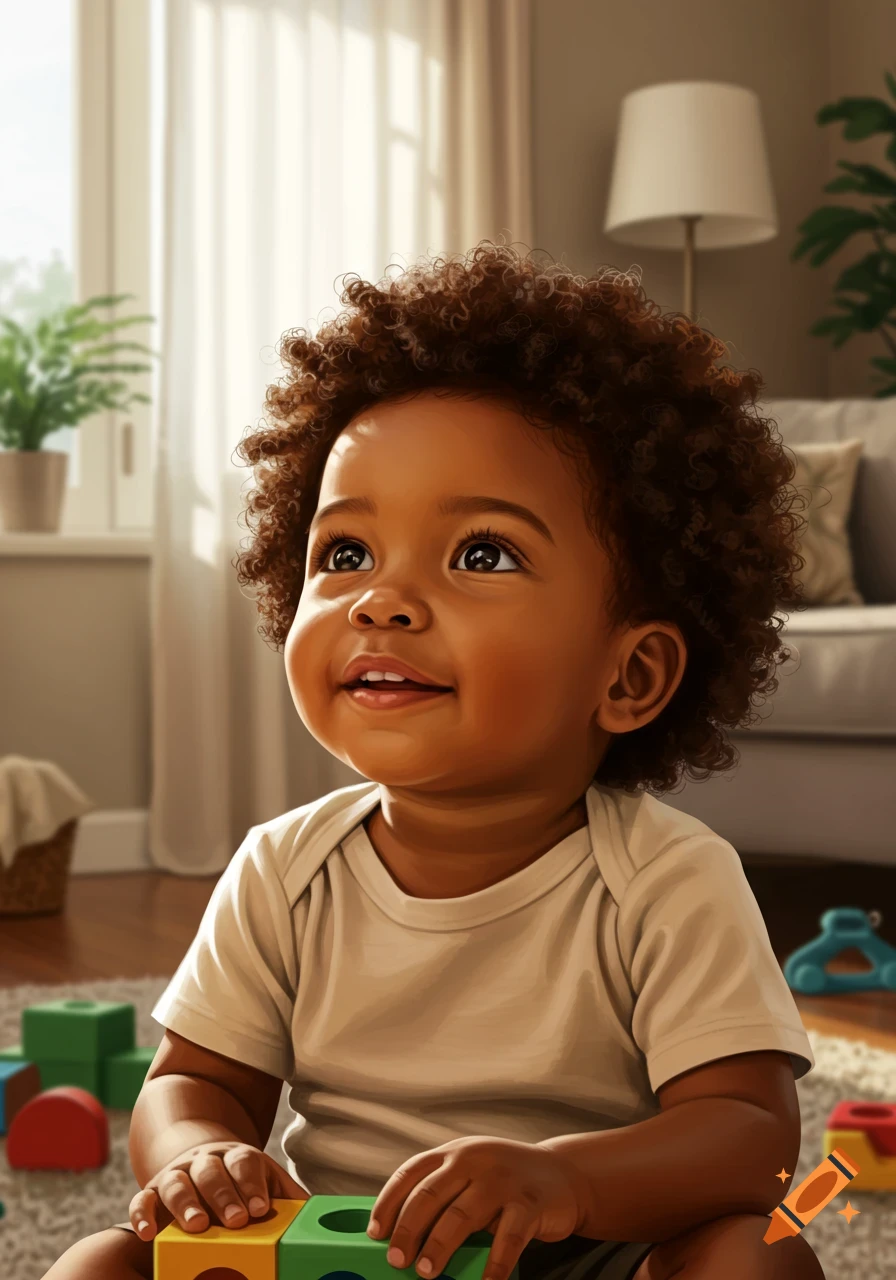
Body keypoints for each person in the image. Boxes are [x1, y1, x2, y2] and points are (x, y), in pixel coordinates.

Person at [43, 242, 824, 1280]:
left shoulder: (666, 878)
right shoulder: (285, 868)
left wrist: (565, 1181)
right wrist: (201, 1155)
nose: (381, 599)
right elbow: (191, 1082)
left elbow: (747, 1136)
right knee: (102, 1259)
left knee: (753, 1252)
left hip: (576, 1256)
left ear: (629, 674)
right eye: (345, 553)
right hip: (334, 1258)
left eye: (480, 554)